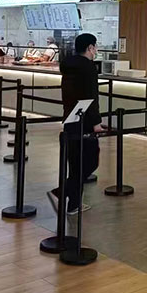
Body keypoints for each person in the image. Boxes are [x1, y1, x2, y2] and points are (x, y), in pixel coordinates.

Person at [48, 33, 105, 215]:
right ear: (90, 48)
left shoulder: (68, 65)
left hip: (70, 117)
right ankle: (61, 192)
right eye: (95, 47)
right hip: (85, 119)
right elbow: (91, 96)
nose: (96, 50)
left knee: (75, 164)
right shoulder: (88, 68)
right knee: (90, 161)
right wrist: (96, 122)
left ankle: (74, 205)